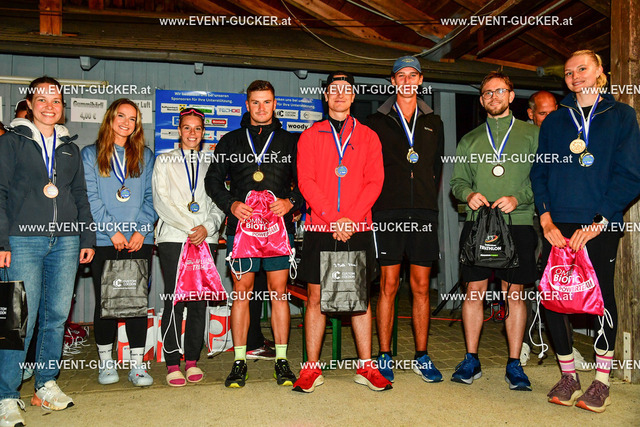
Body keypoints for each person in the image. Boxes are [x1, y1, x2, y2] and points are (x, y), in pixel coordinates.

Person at [531, 49, 640, 413]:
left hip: (600, 223)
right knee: (554, 297)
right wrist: (546, 219)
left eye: (582, 69)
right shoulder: (555, 121)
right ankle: (568, 375)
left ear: (599, 72)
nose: (575, 76)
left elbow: (631, 174)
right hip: (557, 225)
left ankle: (601, 381)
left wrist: (599, 220)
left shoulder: (621, 115)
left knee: (601, 299)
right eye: (568, 72)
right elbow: (539, 172)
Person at [0, 76, 95, 425]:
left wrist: (86, 238)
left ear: (62, 107)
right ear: (29, 104)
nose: (49, 106)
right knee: (18, 320)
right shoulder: (11, 142)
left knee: (55, 317)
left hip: (66, 241)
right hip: (22, 241)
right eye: (42, 99)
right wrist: (2, 241)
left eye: (56, 100)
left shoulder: (69, 147)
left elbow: (80, 194)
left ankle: (45, 384)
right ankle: (6, 395)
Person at [294, 71, 390, 393]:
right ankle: (311, 369)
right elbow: (306, 181)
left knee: (360, 298)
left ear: (353, 95)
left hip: (357, 226)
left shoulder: (369, 136)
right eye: (333, 89)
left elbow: (374, 181)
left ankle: (366, 367)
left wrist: (349, 218)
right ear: (325, 96)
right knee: (316, 298)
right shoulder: (310, 136)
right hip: (321, 227)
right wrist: (335, 219)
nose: (339, 94)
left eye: (345, 89)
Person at [205, 80, 302, 388]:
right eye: (256, 102)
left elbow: (306, 183)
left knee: (278, 294)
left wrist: (291, 201)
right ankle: (239, 362)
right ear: (247, 105)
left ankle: (282, 361)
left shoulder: (290, 141)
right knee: (241, 295)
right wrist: (231, 204)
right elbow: (212, 181)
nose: (261, 108)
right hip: (242, 230)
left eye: (267, 102)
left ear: (275, 104)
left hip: (277, 230)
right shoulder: (230, 140)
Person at [450, 71, 539, 391]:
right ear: (481, 100)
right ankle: (471, 359)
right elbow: (457, 182)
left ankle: (514, 364)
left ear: (512, 96)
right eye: (487, 93)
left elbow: (543, 180)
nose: (493, 97)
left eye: (499, 91)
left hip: (518, 223)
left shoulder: (532, 135)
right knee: (473, 292)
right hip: (479, 224)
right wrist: (467, 194)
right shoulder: (470, 139)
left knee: (513, 293)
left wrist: (520, 198)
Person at [366, 56, 444, 383]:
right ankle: (384, 354)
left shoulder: (434, 121)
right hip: (388, 211)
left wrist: (425, 199)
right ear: (393, 81)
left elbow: (436, 169)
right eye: (401, 75)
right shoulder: (376, 121)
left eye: (413, 75)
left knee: (422, 286)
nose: (407, 80)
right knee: (388, 285)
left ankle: (422, 356)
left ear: (421, 80)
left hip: (424, 212)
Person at [81, 99, 156, 387]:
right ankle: (105, 363)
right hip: (105, 240)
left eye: (132, 118)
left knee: (136, 301)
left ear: (137, 124)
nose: (126, 122)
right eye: (121, 116)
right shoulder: (90, 154)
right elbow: (90, 198)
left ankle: (137, 365)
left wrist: (141, 230)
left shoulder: (145, 155)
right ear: (110, 118)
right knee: (107, 302)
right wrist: (112, 231)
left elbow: (152, 197)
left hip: (139, 240)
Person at [153, 108, 225, 387]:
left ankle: (192, 359)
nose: (192, 133)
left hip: (205, 239)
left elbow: (220, 202)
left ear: (203, 132)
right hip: (174, 237)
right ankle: (172, 362)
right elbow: (161, 200)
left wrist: (207, 227)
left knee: (198, 301)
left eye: (197, 128)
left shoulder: (211, 163)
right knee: (175, 299)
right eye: (187, 127)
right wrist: (190, 227)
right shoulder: (164, 161)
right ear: (179, 130)